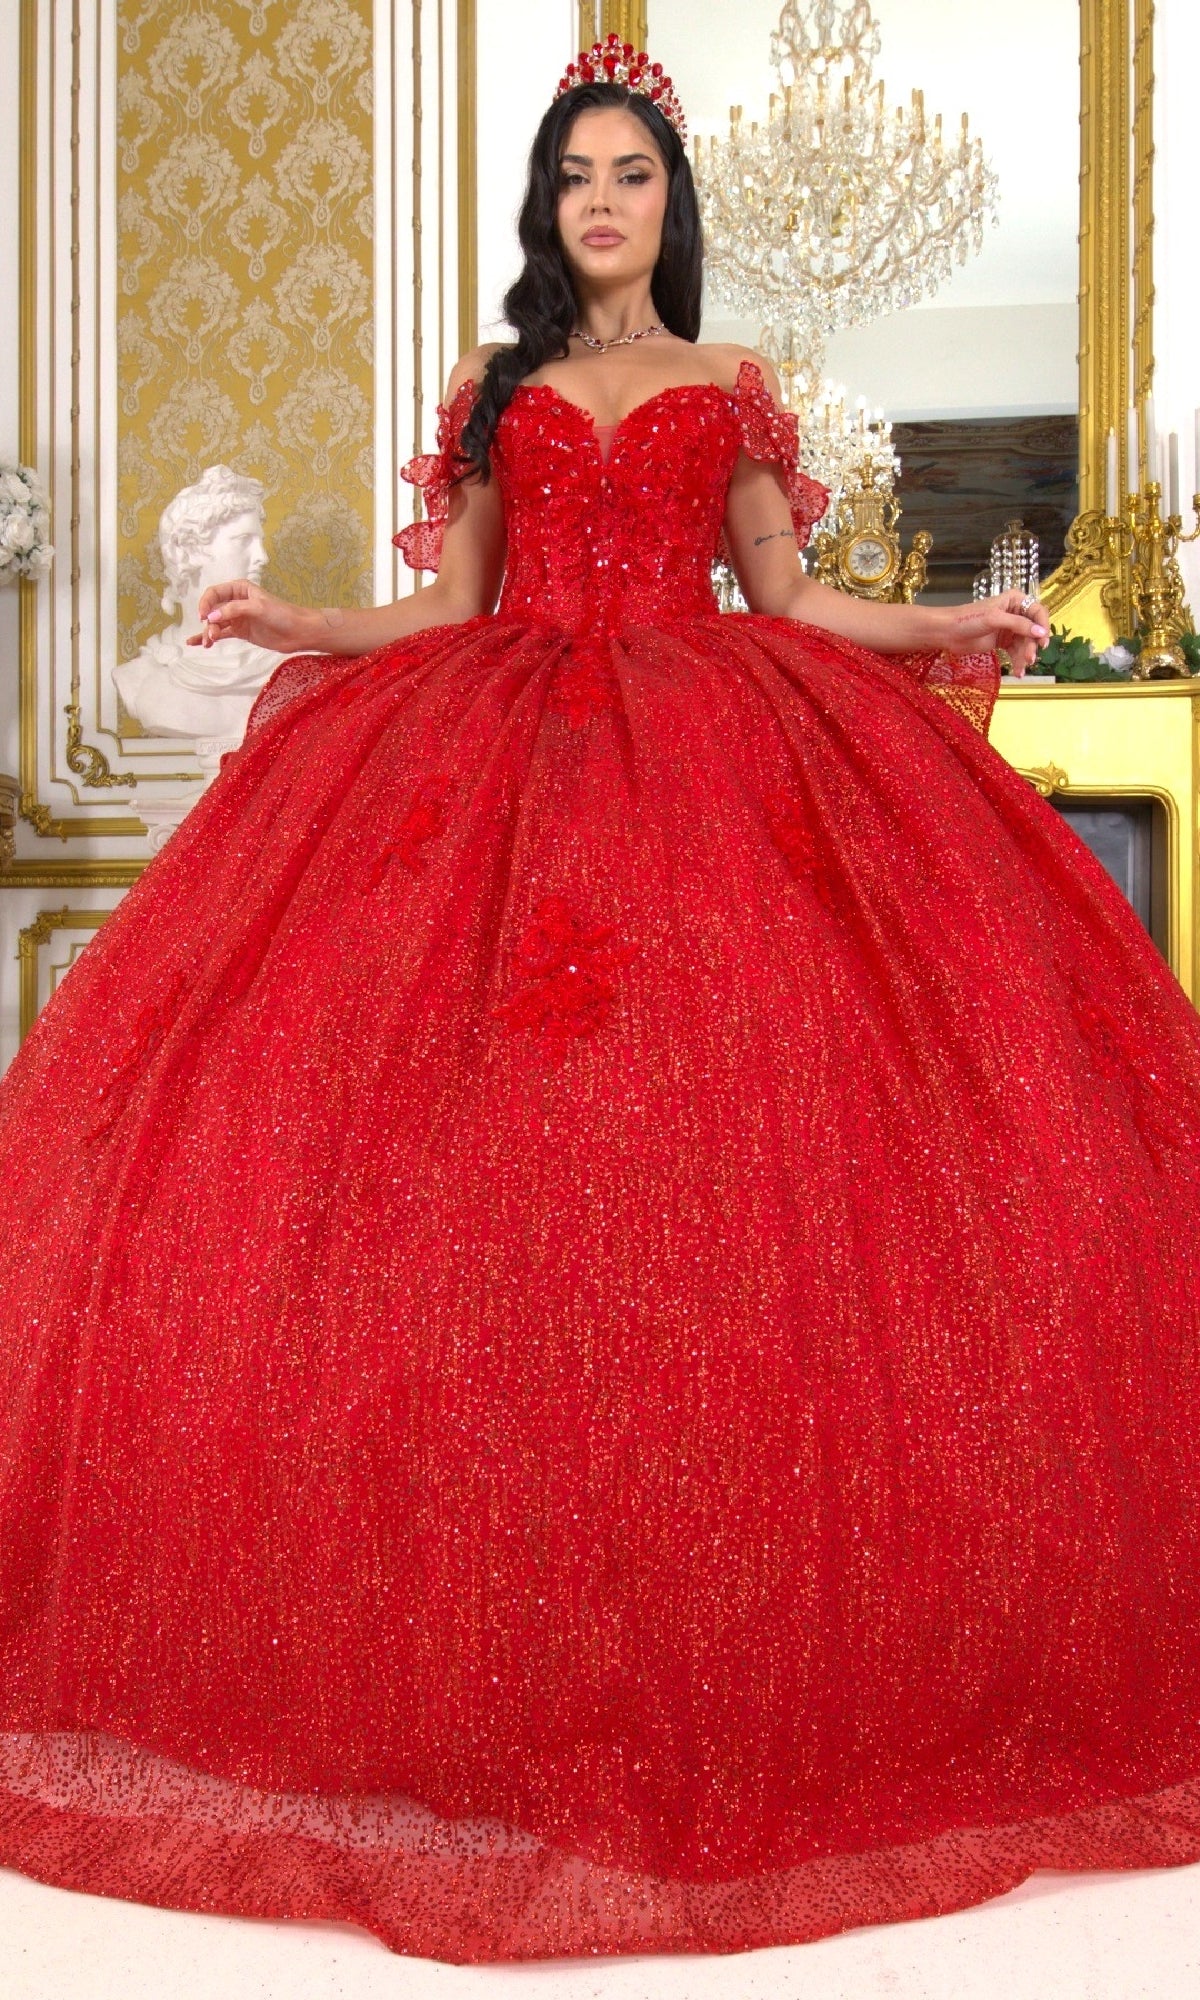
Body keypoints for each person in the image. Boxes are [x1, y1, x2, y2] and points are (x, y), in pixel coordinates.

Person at [3, 31, 1200, 1969]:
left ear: (673, 202)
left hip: (706, 749)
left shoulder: (735, 384)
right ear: (547, 208)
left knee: (717, 1160)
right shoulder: (503, 391)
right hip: (503, 746)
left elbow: (788, 606)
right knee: (472, 1173)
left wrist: (951, 622)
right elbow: (449, 609)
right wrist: (293, 617)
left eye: (633, 171)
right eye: (577, 174)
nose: (603, 201)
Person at [113, 464, 284, 747]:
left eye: (259, 542)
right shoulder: (139, 676)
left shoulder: (287, 666)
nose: (262, 557)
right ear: (188, 550)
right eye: (244, 541)